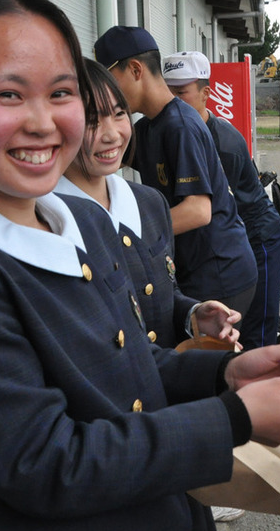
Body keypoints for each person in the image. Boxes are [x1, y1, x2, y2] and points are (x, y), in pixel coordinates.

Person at [0, 0, 280, 531]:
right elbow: (45, 464)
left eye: (61, 93)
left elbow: (129, 359)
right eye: (8, 94)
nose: (43, 122)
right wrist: (232, 418)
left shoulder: (84, 221)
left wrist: (225, 372)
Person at [55, 58, 240, 351]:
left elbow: (160, 291)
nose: (112, 134)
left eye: (119, 114)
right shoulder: (46, 220)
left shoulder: (149, 204)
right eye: (91, 120)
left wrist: (192, 314)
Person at [93, 26, 257, 319]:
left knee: (206, 361)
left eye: (109, 80)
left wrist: (126, 236)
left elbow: (198, 211)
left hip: (218, 273)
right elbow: (100, 161)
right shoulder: (147, 127)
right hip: (191, 267)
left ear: (134, 69)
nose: (107, 93)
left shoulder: (180, 125)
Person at [164, 51, 280, 351]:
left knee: (257, 328)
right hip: (232, 238)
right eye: (167, 92)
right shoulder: (172, 131)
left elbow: (210, 214)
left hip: (259, 237)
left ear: (207, 94)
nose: (172, 102)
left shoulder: (223, 144)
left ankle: (265, 391)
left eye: (181, 93)